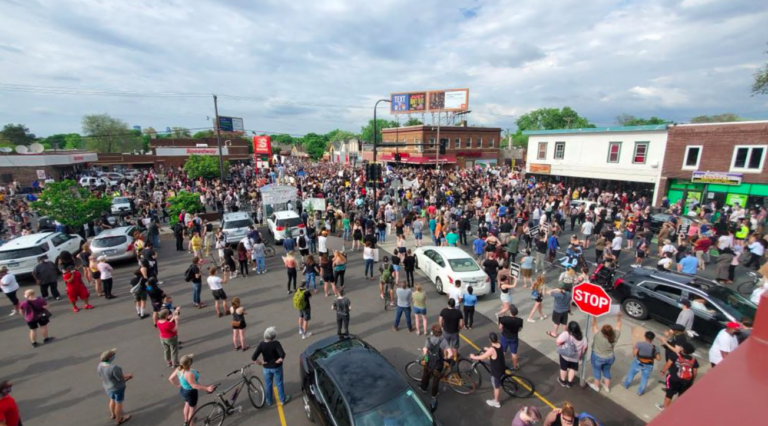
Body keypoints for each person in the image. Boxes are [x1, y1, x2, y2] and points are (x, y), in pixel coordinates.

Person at [168, 354, 216, 425]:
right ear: (190, 363)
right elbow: (194, 385)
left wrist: (178, 385)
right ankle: (191, 424)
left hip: (183, 390)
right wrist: (207, 388)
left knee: (186, 404)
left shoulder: (180, 368)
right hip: (191, 393)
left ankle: (186, 421)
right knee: (192, 410)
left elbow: (170, 379)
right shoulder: (189, 374)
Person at [251, 326, 291, 407]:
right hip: (276, 367)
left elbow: (253, 357)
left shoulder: (261, 344)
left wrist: (260, 363)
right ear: (273, 336)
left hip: (266, 368)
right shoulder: (276, 344)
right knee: (279, 383)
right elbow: (282, 355)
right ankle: (282, 400)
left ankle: (269, 401)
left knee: (268, 384)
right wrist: (278, 360)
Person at [655, 341, 698, 411]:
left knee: (669, 394)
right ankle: (674, 409)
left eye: (682, 347)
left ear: (683, 350)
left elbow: (668, 364)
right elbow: (695, 372)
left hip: (674, 378)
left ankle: (665, 408)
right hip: (686, 381)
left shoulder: (675, 355)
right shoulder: (694, 360)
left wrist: (663, 371)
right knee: (681, 395)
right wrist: (691, 381)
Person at [469, 332, 506, 408]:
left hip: (496, 371)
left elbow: (482, 357)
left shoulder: (492, 350)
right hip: (502, 366)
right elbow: (494, 351)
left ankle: (496, 402)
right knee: (498, 381)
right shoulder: (499, 344)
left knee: (496, 387)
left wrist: (473, 357)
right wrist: (487, 349)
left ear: (490, 340)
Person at [97, 349, 133, 425]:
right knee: (119, 403)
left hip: (107, 387)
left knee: (112, 399)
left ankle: (113, 414)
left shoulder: (100, 365)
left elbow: (101, 376)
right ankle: (119, 419)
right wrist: (129, 375)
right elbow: (120, 378)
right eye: (113, 355)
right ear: (110, 358)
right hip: (117, 388)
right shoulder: (114, 368)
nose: (114, 356)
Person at [588, 312, 622, 393]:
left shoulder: (598, 335)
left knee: (597, 371)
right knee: (606, 371)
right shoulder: (615, 335)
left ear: (602, 331)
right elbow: (618, 325)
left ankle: (596, 386)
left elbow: (594, 325)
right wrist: (619, 317)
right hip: (610, 357)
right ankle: (607, 387)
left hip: (598, 357)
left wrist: (594, 316)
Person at [420, 324, 451, 409]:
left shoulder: (428, 340)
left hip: (429, 363)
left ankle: (424, 388)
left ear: (432, 332)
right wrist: (445, 358)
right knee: (435, 380)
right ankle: (434, 394)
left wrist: (425, 360)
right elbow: (450, 353)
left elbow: (425, 352)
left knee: (425, 376)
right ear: (441, 333)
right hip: (438, 365)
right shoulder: (443, 341)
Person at [623, 331, 660, 396]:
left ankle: (626, 385)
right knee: (644, 378)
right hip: (649, 365)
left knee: (631, 373)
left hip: (638, 362)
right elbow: (659, 358)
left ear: (645, 337)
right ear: (652, 339)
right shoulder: (655, 347)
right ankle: (640, 392)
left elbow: (634, 354)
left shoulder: (639, 344)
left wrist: (633, 349)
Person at [555, 321, 587, 388]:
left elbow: (558, 342)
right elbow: (584, 348)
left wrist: (562, 344)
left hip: (565, 355)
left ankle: (562, 381)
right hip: (575, 357)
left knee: (563, 368)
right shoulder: (583, 337)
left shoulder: (566, 334)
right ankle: (569, 383)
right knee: (572, 369)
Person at [498, 305, 523, 370]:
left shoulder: (504, 319)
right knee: (514, 353)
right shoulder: (520, 320)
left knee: (503, 351)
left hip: (505, 337)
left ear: (510, 312)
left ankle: (501, 365)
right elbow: (519, 329)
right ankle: (515, 366)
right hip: (514, 338)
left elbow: (500, 327)